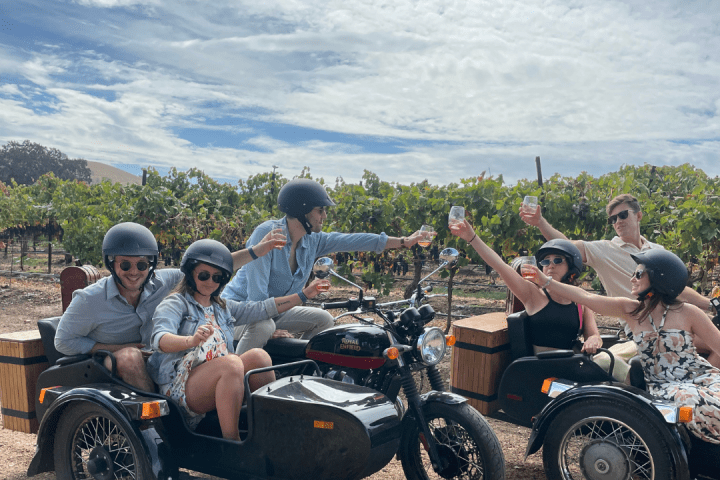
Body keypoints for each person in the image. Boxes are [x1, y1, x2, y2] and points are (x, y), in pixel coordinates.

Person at [525, 249, 720, 444]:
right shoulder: (632, 310)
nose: (632, 279)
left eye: (638, 274)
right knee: (692, 401)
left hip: (700, 375)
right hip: (665, 386)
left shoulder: (689, 312)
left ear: (659, 279)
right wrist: (545, 281)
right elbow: (585, 297)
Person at [55, 222, 279, 391]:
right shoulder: (89, 300)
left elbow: (207, 268)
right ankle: (158, 422)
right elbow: (63, 341)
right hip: (109, 364)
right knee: (130, 356)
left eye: (141, 264)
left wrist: (256, 252)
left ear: (150, 264)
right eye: (125, 264)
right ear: (111, 263)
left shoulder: (166, 281)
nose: (134, 272)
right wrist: (114, 348)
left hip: (158, 357)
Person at [223, 178, 426, 354]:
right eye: (320, 210)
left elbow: (353, 241)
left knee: (324, 319)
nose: (325, 216)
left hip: (276, 313)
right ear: (302, 210)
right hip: (237, 315)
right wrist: (270, 331)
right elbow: (256, 299)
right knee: (263, 327)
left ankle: (296, 370)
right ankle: (237, 380)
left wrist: (403, 241)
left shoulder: (313, 240)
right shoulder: (267, 235)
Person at [147, 239, 322, 440]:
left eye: (217, 277)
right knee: (231, 364)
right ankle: (233, 441)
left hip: (216, 379)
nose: (210, 282)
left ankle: (269, 435)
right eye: (204, 275)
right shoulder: (174, 303)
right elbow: (160, 339)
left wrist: (304, 294)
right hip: (180, 387)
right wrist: (191, 340)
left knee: (259, 357)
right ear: (190, 273)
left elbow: (263, 308)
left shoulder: (222, 307)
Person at [520, 193, 718, 365]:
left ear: (638, 215)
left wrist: (712, 304)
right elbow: (566, 247)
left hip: (672, 318)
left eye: (623, 215)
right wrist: (540, 223)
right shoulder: (605, 250)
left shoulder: (658, 251)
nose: (617, 222)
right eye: (612, 219)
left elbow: (679, 289)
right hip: (641, 324)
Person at [449, 217, 603, 355]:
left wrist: (594, 341)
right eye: (545, 261)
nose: (550, 265)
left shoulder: (580, 300)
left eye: (557, 260)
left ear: (571, 268)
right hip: (540, 372)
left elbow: (594, 335)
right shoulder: (533, 294)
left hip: (572, 366)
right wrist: (472, 238)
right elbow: (500, 265)